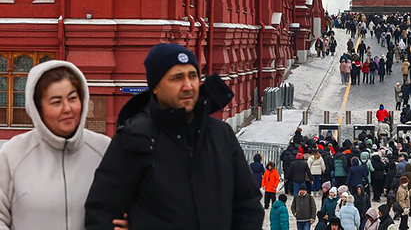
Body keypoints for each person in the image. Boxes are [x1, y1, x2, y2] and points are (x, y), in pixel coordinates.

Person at [85, 43, 264, 229]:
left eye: (192, 76)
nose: (188, 86)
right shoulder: (136, 138)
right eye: (177, 78)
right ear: (155, 87)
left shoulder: (221, 134)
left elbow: (248, 204)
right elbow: (101, 211)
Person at [0, 60, 124, 230]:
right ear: (37, 108)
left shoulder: (104, 150)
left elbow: (128, 206)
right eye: (56, 102)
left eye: (73, 98)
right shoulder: (12, 155)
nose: (67, 108)